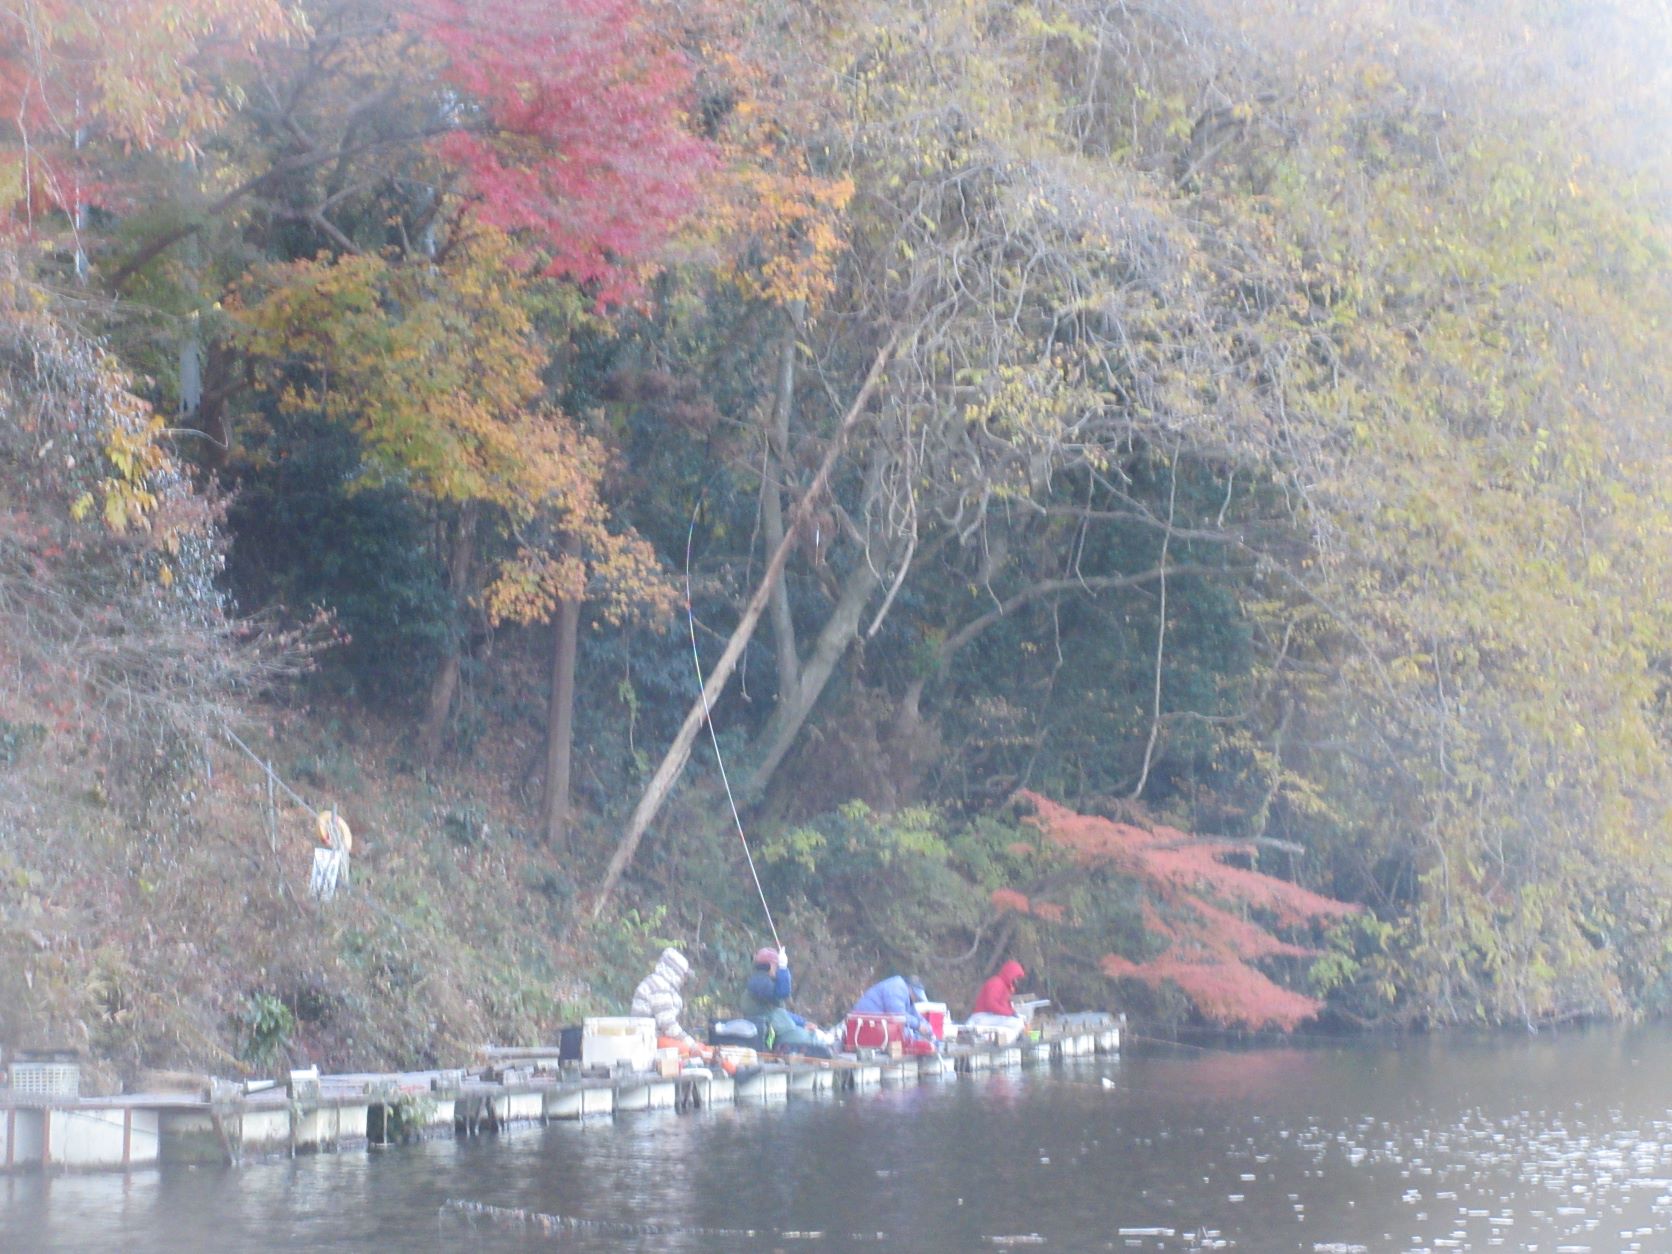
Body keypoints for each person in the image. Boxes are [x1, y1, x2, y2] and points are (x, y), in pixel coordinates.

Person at [741, 945, 831, 1054]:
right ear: (771, 965)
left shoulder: (763, 981)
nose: (778, 969)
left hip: (779, 1031)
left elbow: (780, 1013)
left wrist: (803, 1023)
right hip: (774, 1035)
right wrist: (783, 969)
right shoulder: (759, 982)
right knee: (815, 1040)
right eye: (777, 966)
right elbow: (782, 994)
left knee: (815, 1037)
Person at [631, 946, 707, 1058]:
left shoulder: (663, 985)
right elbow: (668, 1025)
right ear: (676, 972)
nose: (684, 980)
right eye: (684, 975)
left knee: (699, 1047)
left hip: (653, 1039)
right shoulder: (658, 987)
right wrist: (691, 1045)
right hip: (648, 1041)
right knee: (689, 1050)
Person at [851, 974, 937, 1046]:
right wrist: (919, 1025)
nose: (917, 999)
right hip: (865, 1026)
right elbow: (898, 1016)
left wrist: (927, 1027)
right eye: (916, 995)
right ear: (910, 988)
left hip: (876, 1026)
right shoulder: (896, 989)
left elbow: (912, 1012)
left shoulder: (904, 992)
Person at [967, 959, 1028, 1045]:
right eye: (1016, 978)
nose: (1017, 981)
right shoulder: (996, 983)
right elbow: (991, 1004)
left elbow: (1004, 1007)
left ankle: (1001, 1041)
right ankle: (1001, 1042)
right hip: (981, 1018)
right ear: (1011, 975)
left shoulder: (1006, 987)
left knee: (1020, 1021)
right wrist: (1010, 1013)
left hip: (990, 1017)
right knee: (1017, 1023)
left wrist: (1013, 1013)